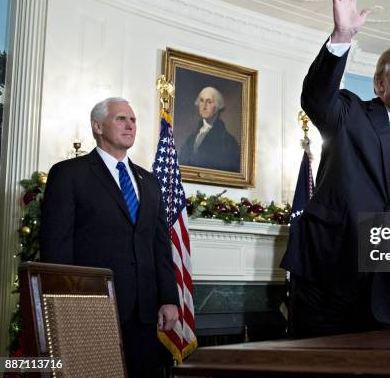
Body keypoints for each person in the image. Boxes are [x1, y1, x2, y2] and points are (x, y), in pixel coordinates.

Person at [280, 0, 390, 338]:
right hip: (326, 278)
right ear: (379, 84)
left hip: (382, 293)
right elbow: (316, 97)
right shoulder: (350, 114)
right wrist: (342, 38)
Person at [40, 97, 179, 378]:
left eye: (133, 120)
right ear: (98, 126)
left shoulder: (150, 182)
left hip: (144, 311)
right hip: (91, 307)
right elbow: (57, 245)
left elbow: (160, 245)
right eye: (120, 119)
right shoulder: (69, 174)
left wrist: (168, 297)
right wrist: (64, 305)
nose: (130, 125)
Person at [179, 86, 240, 172]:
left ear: (218, 106)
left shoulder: (228, 142)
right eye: (201, 101)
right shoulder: (190, 139)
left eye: (209, 102)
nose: (204, 106)